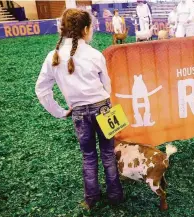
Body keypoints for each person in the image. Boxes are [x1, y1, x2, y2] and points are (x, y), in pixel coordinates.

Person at [35, 8, 124, 210]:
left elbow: (41, 89)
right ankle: (116, 196)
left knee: (89, 156)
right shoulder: (94, 55)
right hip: (103, 108)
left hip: (79, 112)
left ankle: (91, 198)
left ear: (62, 29)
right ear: (86, 29)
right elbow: (107, 87)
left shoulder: (53, 57)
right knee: (109, 154)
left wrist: (59, 111)